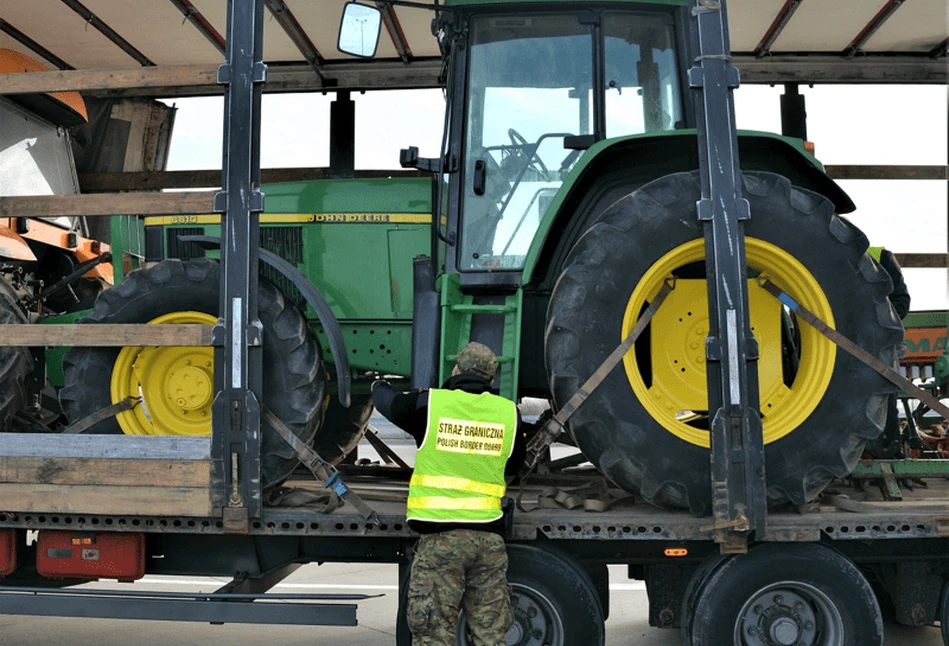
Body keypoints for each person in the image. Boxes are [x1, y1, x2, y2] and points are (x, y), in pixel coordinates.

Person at [372, 341, 526, 645]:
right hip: (488, 542)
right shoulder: (509, 413)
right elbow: (516, 463)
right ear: (491, 380)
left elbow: (388, 403)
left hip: (441, 542)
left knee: (433, 635)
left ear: (456, 370)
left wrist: (378, 383)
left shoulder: (430, 405)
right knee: (490, 636)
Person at [868, 245, 912, 457]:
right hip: (838, 348)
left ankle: (889, 451)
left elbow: (901, 302)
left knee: (885, 402)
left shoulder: (879, 257)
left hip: (880, 345)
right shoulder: (821, 257)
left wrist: (871, 323)